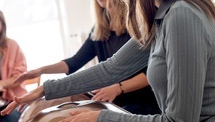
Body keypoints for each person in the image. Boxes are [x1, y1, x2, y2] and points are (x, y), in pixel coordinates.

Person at [2, 0, 215, 122]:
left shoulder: (182, 15)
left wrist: (100, 121)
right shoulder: (164, 17)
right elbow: (112, 68)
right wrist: (45, 90)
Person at [13, 0, 160, 115]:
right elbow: (75, 62)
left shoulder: (136, 27)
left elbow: (150, 72)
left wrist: (118, 88)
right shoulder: (100, 30)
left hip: (139, 101)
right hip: (109, 98)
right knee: (54, 107)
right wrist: (40, 71)